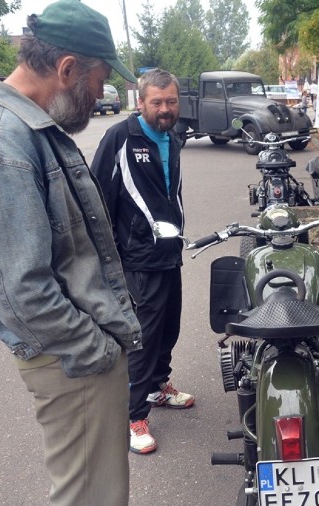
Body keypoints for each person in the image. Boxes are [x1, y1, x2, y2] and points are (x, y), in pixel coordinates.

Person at [0, 1, 156, 506]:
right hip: (69, 356)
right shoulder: (3, 143)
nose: (100, 93)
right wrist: (96, 349)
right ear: (66, 69)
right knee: (82, 497)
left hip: (77, 347)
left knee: (98, 486)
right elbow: (20, 290)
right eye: (99, 79)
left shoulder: (26, 124)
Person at [91, 68, 193, 455]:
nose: (165, 109)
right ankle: (134, 416)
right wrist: (110, 255)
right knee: (144, 336)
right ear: (141, 102)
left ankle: (158, 387)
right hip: (135, 256)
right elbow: (97, 196)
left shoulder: (174, 137)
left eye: (171, 101)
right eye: (157, 102)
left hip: (169, 251)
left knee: (169, 327)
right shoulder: (121, 136)